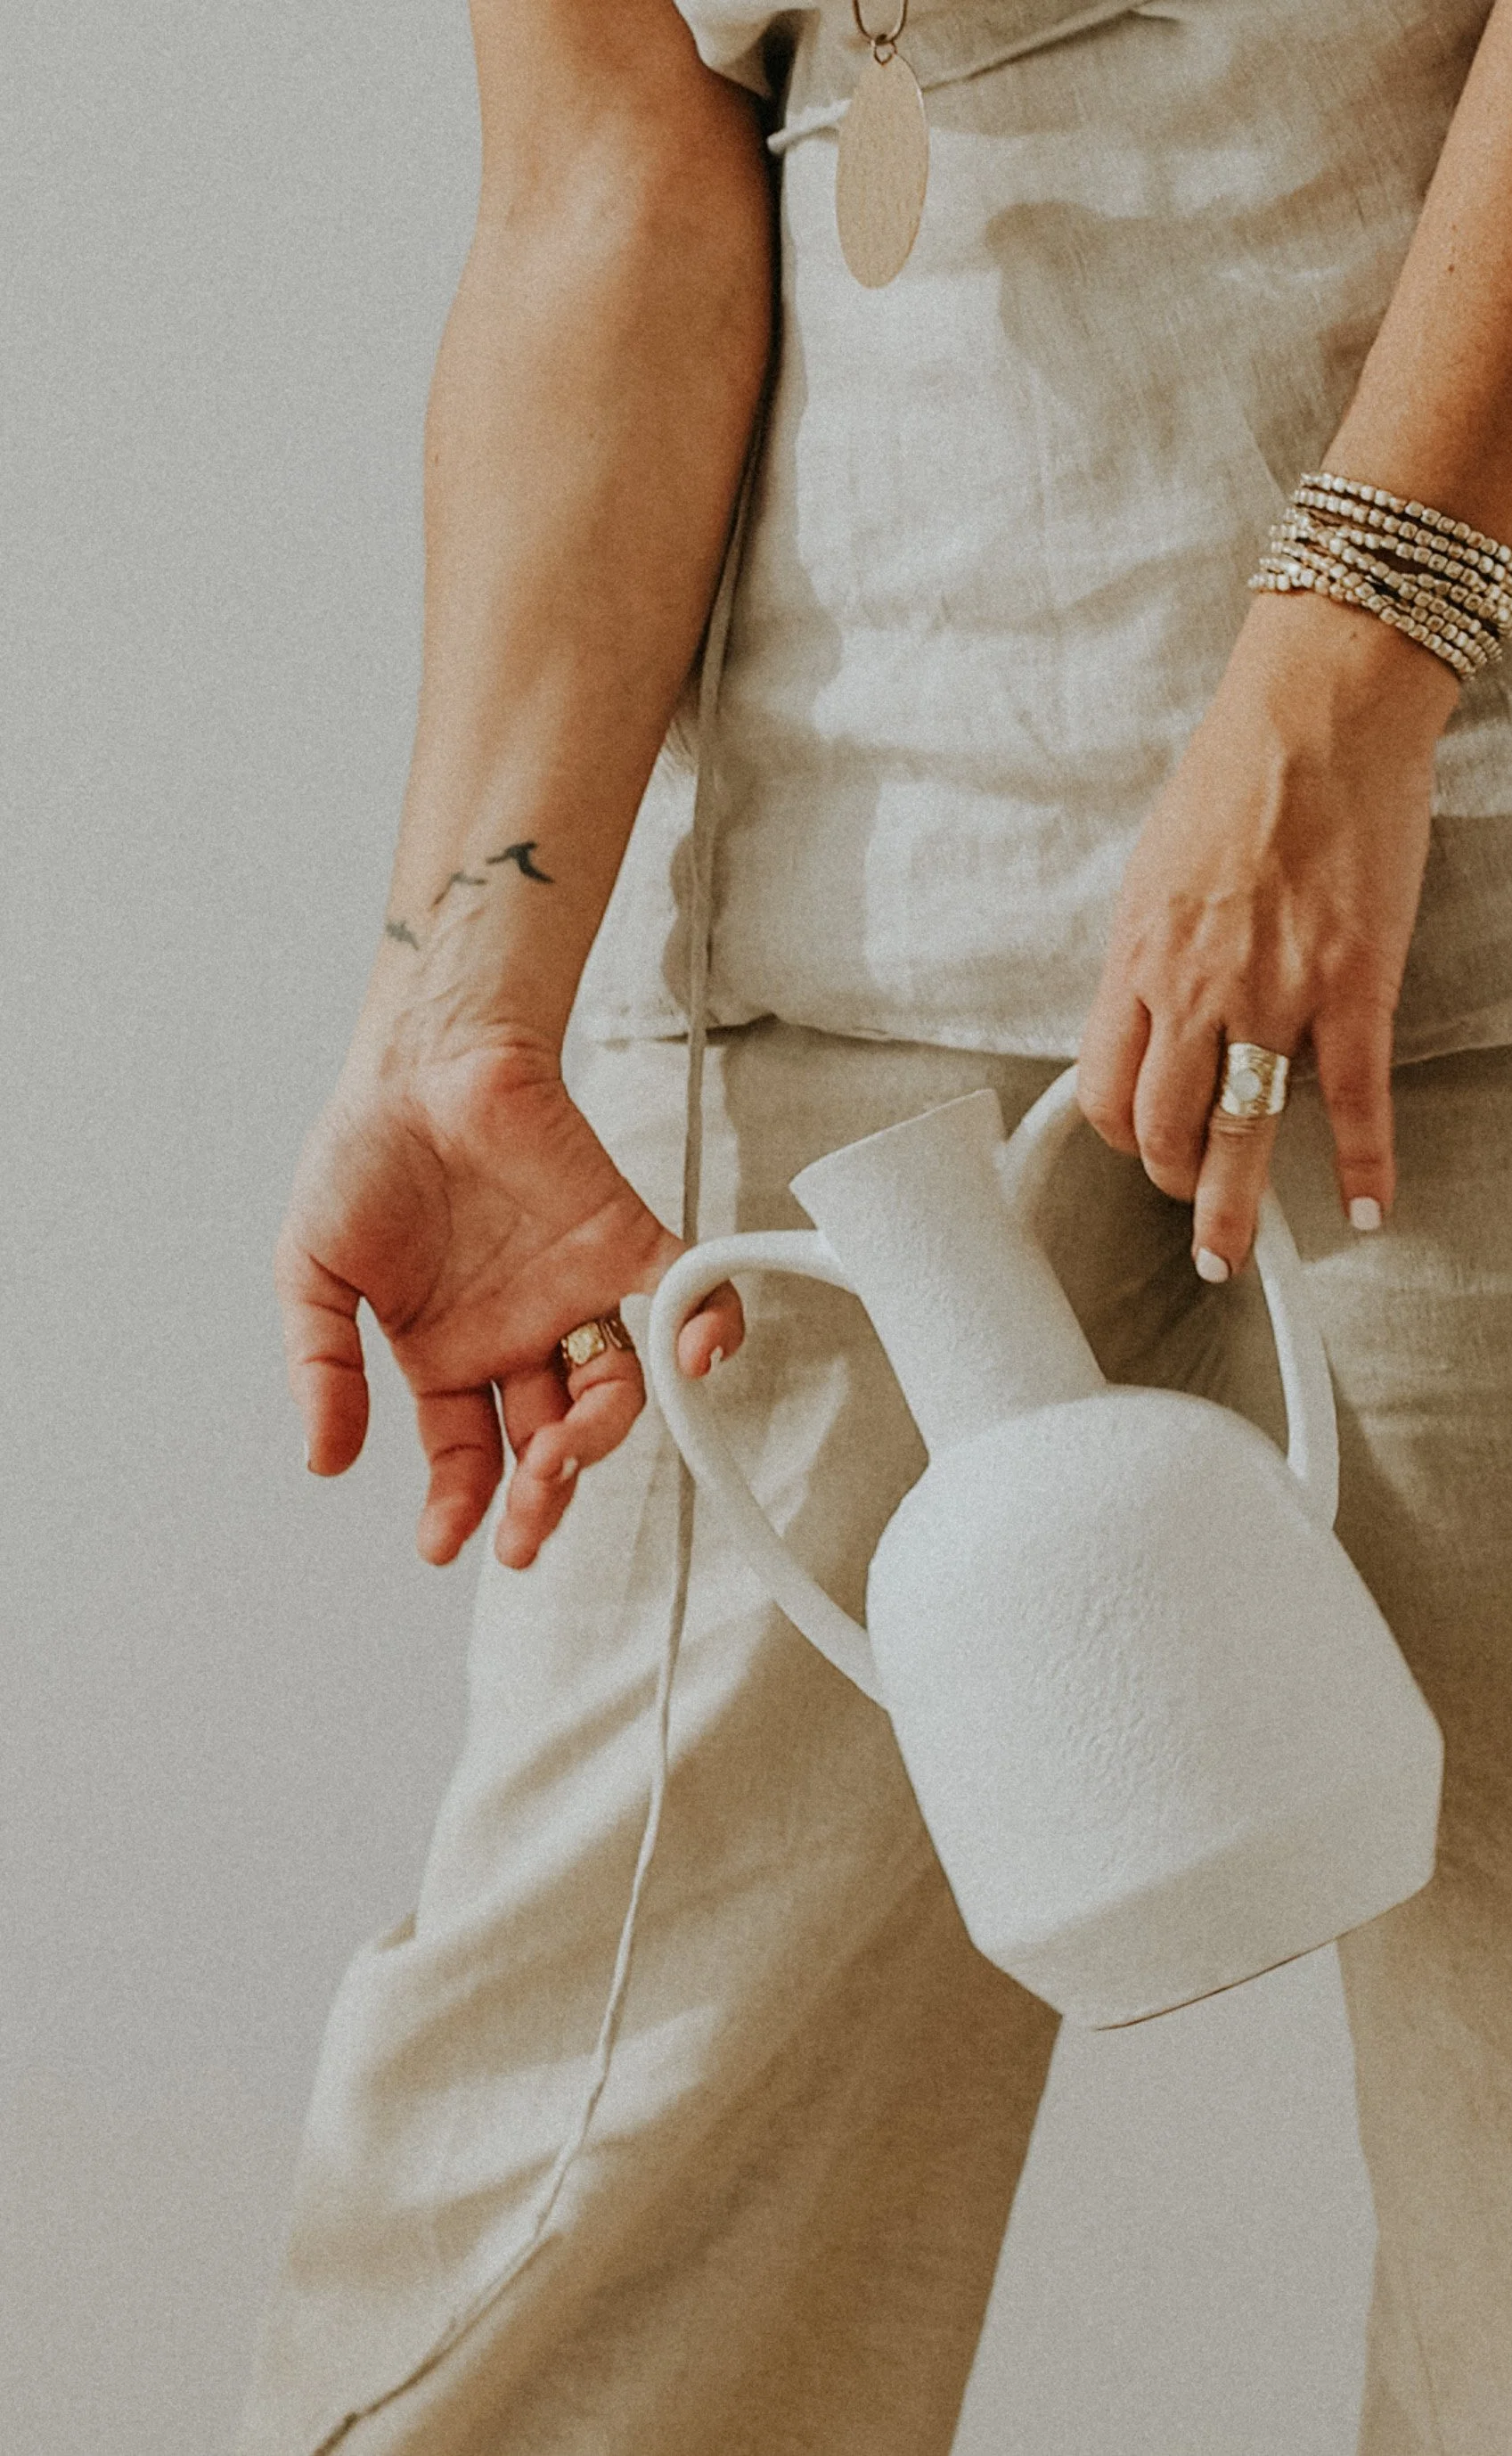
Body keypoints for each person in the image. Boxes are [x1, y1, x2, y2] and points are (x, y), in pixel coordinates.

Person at [241, 1, 1512, 2449]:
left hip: (1463, 923)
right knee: (546, 2278)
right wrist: (460, 1002)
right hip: (840, 1016)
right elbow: (602, 175)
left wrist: (1346, 654)